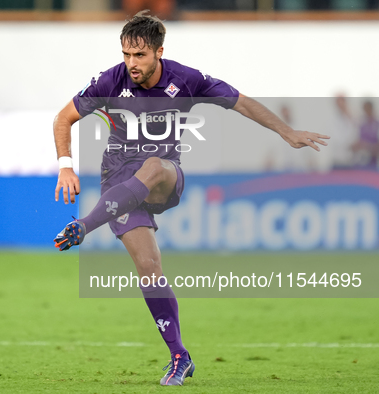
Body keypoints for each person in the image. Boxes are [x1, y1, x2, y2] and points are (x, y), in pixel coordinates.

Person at [52, 10, 329, 386]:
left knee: (153, 164)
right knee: (150, 270)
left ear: (159, 52)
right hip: (118, 186)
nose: (131, 64)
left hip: (164, 177)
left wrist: (286, 132)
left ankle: (84, 226)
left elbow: (242, 102)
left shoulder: (187, 80)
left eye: (140, 56)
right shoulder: (109, 81)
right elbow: (62, 119)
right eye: (126, 55)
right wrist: (65, 166)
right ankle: (180, 356)